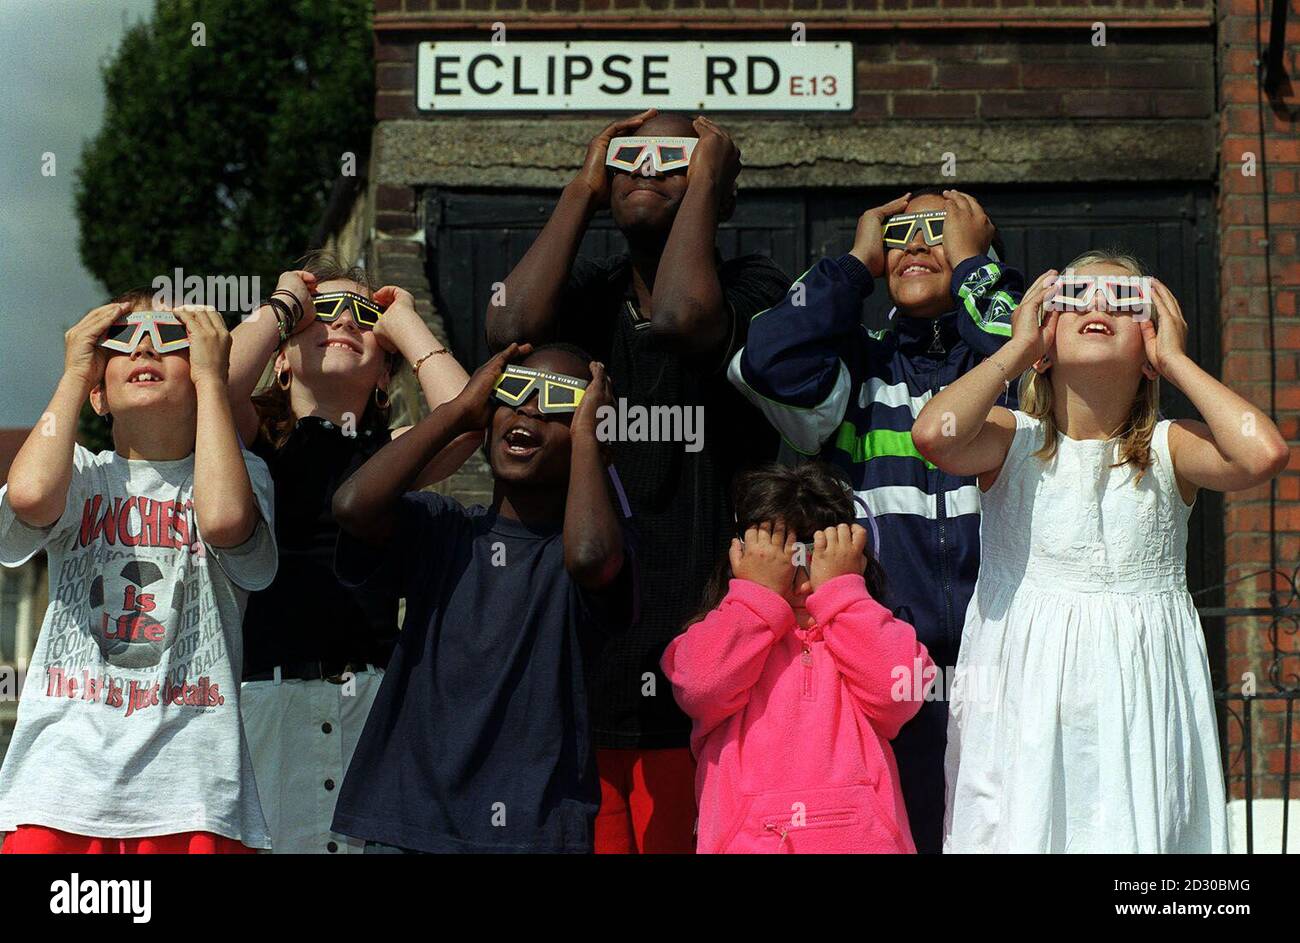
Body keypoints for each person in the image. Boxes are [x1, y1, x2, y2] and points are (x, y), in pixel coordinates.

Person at [912, 252, 1290, 852]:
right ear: (1046, 337)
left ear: (1148, 347)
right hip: (1026, 700)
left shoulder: (1171, 448)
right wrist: (1016, 349)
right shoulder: (1012, 439)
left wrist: (1176, 362)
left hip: (1137, 700)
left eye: (1124, 299)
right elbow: (935, 434)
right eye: (1076, 294)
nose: (1098, 305)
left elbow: (1263, 454)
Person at [486, 109, 791, 853]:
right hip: (588, 666)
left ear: (715, 182)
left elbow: (687, 318)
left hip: (708, 668)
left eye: (674, 157)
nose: (646, 168)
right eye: (629, 155)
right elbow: (509, 326)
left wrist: (706, 183)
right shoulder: (589, 299)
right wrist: (580, 189)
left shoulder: (754, 285)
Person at [728, 189, 1024, 853]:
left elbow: (1029, 347)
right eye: (899, 232)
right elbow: (765, 357)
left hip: (1008, 661)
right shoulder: (858, 365)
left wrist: (975, 266)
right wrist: (854, 266)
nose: (916, 244)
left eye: (939, 231)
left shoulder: (1003, 367)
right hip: (888, 670)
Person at [328, 343, 636, 853]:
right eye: (512, 391)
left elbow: (589, 557)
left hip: (532, 835)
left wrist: (590, 438)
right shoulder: (442, 530)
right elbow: (353, 505)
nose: (531, 408)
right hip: (408, 826)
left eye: (562, 402)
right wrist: (455, 414)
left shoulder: (599, 550)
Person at [0, 294, 276, 853]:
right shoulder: (79, 473)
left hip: (191, 790)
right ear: (99, 394)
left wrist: (212, 381)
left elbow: (223, 521)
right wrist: (75, 371)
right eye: (121, 341)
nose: (145, 345)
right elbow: (29, 497)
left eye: (172, 339)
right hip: (58, 786)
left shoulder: (238, 476)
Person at [227, 253, 474, 854]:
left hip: (373, 702)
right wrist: (283, 307)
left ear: (386, 373)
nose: (341, 322)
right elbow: (215, 378)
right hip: (267, 703)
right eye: (322, 311)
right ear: (281, 361)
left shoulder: (390, 453)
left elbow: (466, 423)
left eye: (361, 315)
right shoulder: (253, 445)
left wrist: (407, 322)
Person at [662, 462, 932, 853]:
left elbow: (900, 692)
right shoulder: (727, 634)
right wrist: (756, 597)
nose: (800, 576)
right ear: (743, 558)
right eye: (778, 555)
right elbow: (700, 684)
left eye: (817, 554)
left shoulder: (862, 630)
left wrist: (843, 593)